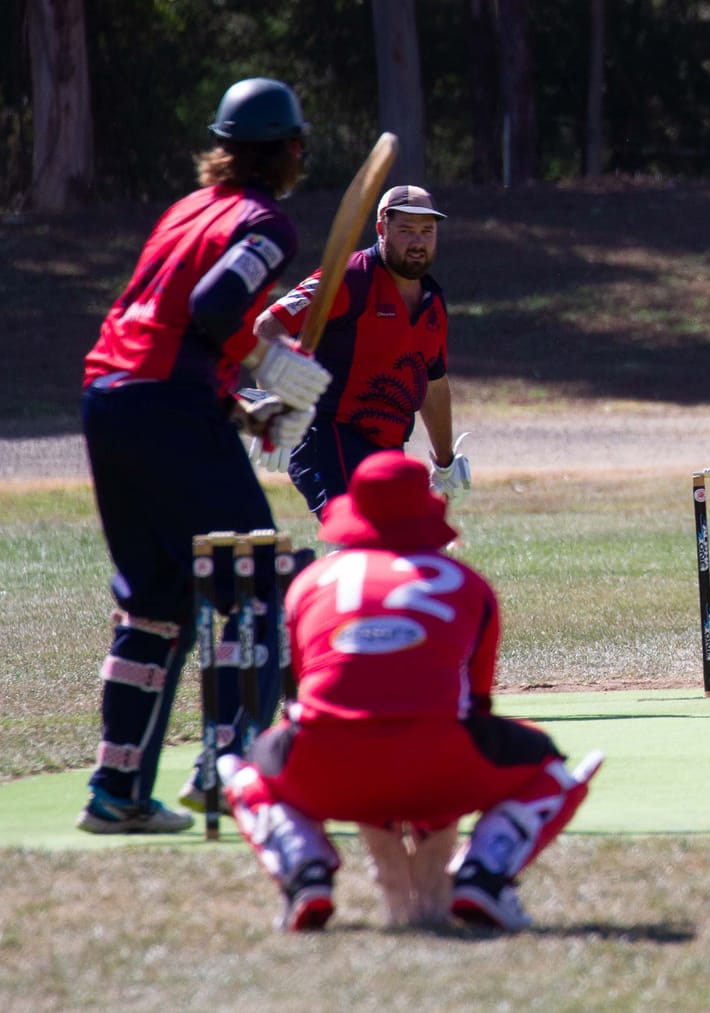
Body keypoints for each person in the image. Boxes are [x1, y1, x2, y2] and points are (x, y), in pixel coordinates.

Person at [76, 78, 333, 833]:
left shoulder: (183, 210)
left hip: (110, 398)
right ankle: (230, 773)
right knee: (261, 584)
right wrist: (268, 359)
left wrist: (237, 405)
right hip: (168, 407)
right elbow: (215, 308)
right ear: (288, 150)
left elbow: (161, 325)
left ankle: (116, 792)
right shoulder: (268, 222)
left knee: (155, 600)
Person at [218, 450, 603, 932]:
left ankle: (304, 868)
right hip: (441, 762)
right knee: (550, 767)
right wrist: (430, 819)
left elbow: (310, 696)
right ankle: (484, 874)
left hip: (326, 766)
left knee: (244, 770)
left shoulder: (308, 583)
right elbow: (474, 708)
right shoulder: (468, 584)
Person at [256, 184, 466, 516]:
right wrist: (274, 405)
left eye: (427, 231)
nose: (418, 242)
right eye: (406, 230)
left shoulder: (433, 304)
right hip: (326, 434)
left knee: (402, 545)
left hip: (388, 445)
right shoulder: (349, 278)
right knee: (360, 534)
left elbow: (434, 387)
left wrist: (444, 464)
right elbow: (268, 327)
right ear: (382, 228)